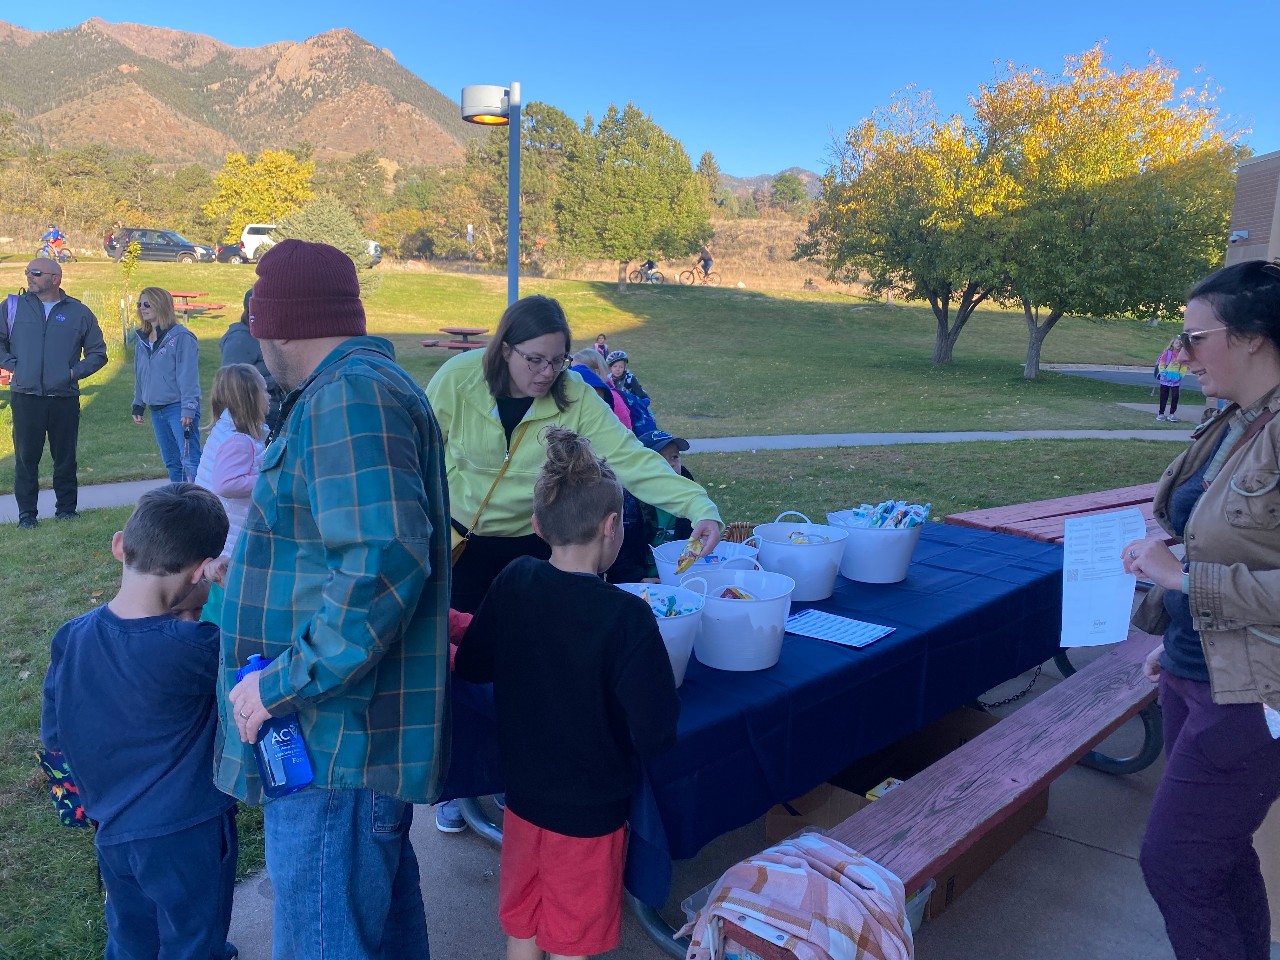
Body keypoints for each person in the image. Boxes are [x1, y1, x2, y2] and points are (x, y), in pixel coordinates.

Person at [216, 240, 449, 959]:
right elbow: (347, 547)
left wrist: (282, 682)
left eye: (258, 323)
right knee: (374, 933)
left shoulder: (350, 393)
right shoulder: (353, 388)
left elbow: (383, 559)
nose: (257, 343)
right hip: (339, 743)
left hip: (331, 742)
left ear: (280, 323)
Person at [425, 294, 720, 833]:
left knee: (537, 667)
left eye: (557, 360)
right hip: (461, 544)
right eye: (533, 359)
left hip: (537, 544)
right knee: (462, 667)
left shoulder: (574, 394)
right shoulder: (456, 380)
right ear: (504, 348)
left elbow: (630, 459)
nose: (545, 373)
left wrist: (698, 506)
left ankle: (529, 772)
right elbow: (420, 456)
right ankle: (459, 781)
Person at [454, 427, 680, 960]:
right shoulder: (628, 617)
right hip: (590, 815)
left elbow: (474, 663)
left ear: (537, 525)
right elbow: (656, 730)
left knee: (525, 926)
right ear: (612, 526)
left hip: (523, 800)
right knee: (573, 942)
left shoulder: (515, 580)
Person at [1122, 259, 1280, 960]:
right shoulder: (1235, 423)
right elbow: (1213, 545)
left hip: (1253, 694)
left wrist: (1183, 584)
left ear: (1251, 337)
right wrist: (1175, 628)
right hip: (1197, 670)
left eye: (1195, 338)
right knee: (1216, 858)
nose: (1180, 356)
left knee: (1177, 865)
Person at [41, 483, 237, 960]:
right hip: (185, 831)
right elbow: (255, 654)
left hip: (112, 827)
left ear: (119, 545)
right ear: (202, 571)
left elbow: (54, 737)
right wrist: (225, 590)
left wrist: (79, 806)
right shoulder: (198, 648)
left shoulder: (72, 636)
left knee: (130, 934)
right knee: (192, 938)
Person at [0, 257, 108, 528]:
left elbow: (98, 353)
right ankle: (27, 516)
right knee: (26, 459)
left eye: (35, 273)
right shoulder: (12, 306)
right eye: (28, 272)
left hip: (64, 398)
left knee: (65, 458)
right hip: (26, 396)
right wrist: (15, 366)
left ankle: (66, 511)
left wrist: (71, 374)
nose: (29, 277)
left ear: (55, 278)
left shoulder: (79, 312)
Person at [193, 363, 269, 625]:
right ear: (250, 398)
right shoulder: (239, 441)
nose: (269, 397)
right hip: (230, 532)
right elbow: (227, 483)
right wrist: (269, 479)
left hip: (216, 524)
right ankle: (218, 629)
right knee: (226, 587)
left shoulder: (226, 431)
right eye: (264, 391)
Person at [131, 287, 203, 482]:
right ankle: (178, 505)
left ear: (161, 305)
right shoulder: (142, 341)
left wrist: (188, 408)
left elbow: (187, 375)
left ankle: (201, 504)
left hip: (178, 408)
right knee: (172, 462)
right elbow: (140, 375)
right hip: (157, 409)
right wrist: (138, 403)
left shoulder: (181, 337)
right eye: (139, 304)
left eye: (147, 304)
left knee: (190, 460)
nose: (142, 308)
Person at [608, 429, 695, 584]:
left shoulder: (690, 497)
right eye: (661, 459)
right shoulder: (628, 502)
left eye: (675, 456)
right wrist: (638, 578)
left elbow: (694, 541)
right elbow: (617, 548)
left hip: (679, 579)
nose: (672, 463)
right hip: (635, 584)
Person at [219, 289, 283, 429]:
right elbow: (233, 383)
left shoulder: (266, 334)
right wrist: (277, 380)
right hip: (254, 414)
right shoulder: (239, 340)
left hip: (276, 408)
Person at [570, 348, 631, 430]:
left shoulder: (611, 398)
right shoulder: (583, 395)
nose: (572, 376)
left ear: (596, 372)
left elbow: (625, 430)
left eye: (579, 371)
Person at [1155, 337, 1189, 422]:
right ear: (1172, 344)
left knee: (1175, 397)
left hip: (1176, 380)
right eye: (1176, 343)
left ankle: (1172, 414)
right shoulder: (1167, 353)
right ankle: (1161, 414)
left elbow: (1184, 366)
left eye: (1180, 343)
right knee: (1163, 396)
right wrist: (1163, 373)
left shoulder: (1182, 355)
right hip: (1165, 378)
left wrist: (1180, 375)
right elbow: (1161, 364)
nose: (1178, 345)